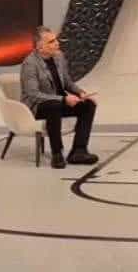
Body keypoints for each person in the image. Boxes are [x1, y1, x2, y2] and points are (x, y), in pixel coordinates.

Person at [20, 26, 98, 169]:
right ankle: (57, 154)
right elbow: (33, 94)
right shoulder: (30, 64)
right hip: (37, 106)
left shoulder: (59, 57)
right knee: (53, 106)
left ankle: (79, 151)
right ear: (39, 47)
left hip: (59, 102)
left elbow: (67, 82)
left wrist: (80, 93)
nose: (57, 43)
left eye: (56, 40)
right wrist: (63, 100)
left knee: (88, 105)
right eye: (51, 41)